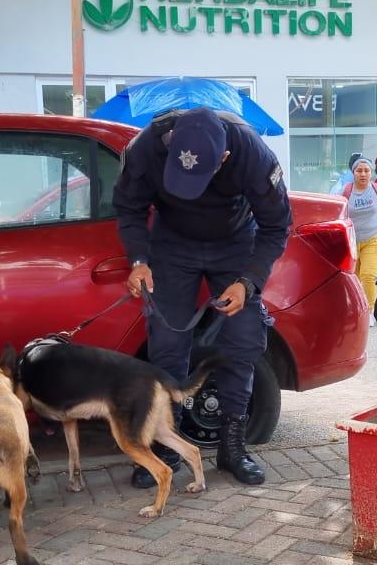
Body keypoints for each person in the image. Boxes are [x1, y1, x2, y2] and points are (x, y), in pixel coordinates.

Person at [114, 107, 291, 487]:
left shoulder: (252, 154)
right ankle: (166, 447)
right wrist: (139, 261)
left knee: (243, 340)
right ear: (171, 143)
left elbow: (277, 226)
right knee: (166, 344)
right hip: (172, 244)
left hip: (234, 244)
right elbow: (128, 208)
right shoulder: (148, 146)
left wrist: (248, 281)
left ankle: (232, 447)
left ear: (224, 157)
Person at [339, 157, 377, 322]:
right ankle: (357, 309)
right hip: (351, 242)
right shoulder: (345, 192)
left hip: (373, 239)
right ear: (353, 173)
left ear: (371, 172)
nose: (363, 174)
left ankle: (369, 311)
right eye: (359, 170)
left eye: (366, 170)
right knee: (356, 279)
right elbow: (339, 214)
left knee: (368, 275)